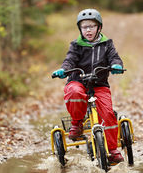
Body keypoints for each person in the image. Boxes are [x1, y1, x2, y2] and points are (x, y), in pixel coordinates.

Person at [52, 9, 124, 163]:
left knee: (108, 114)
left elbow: (114, 57)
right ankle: (76, 123)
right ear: (80, 29)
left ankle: (112, 149)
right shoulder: (76, 45)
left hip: (99, 84)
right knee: (74, 92)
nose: (88, 30)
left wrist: (116, 65)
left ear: (99, 28)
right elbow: (70, 60)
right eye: (85, 27)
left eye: (92, 26)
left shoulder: (107, 44)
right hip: (78, 81)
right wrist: (64, 70)